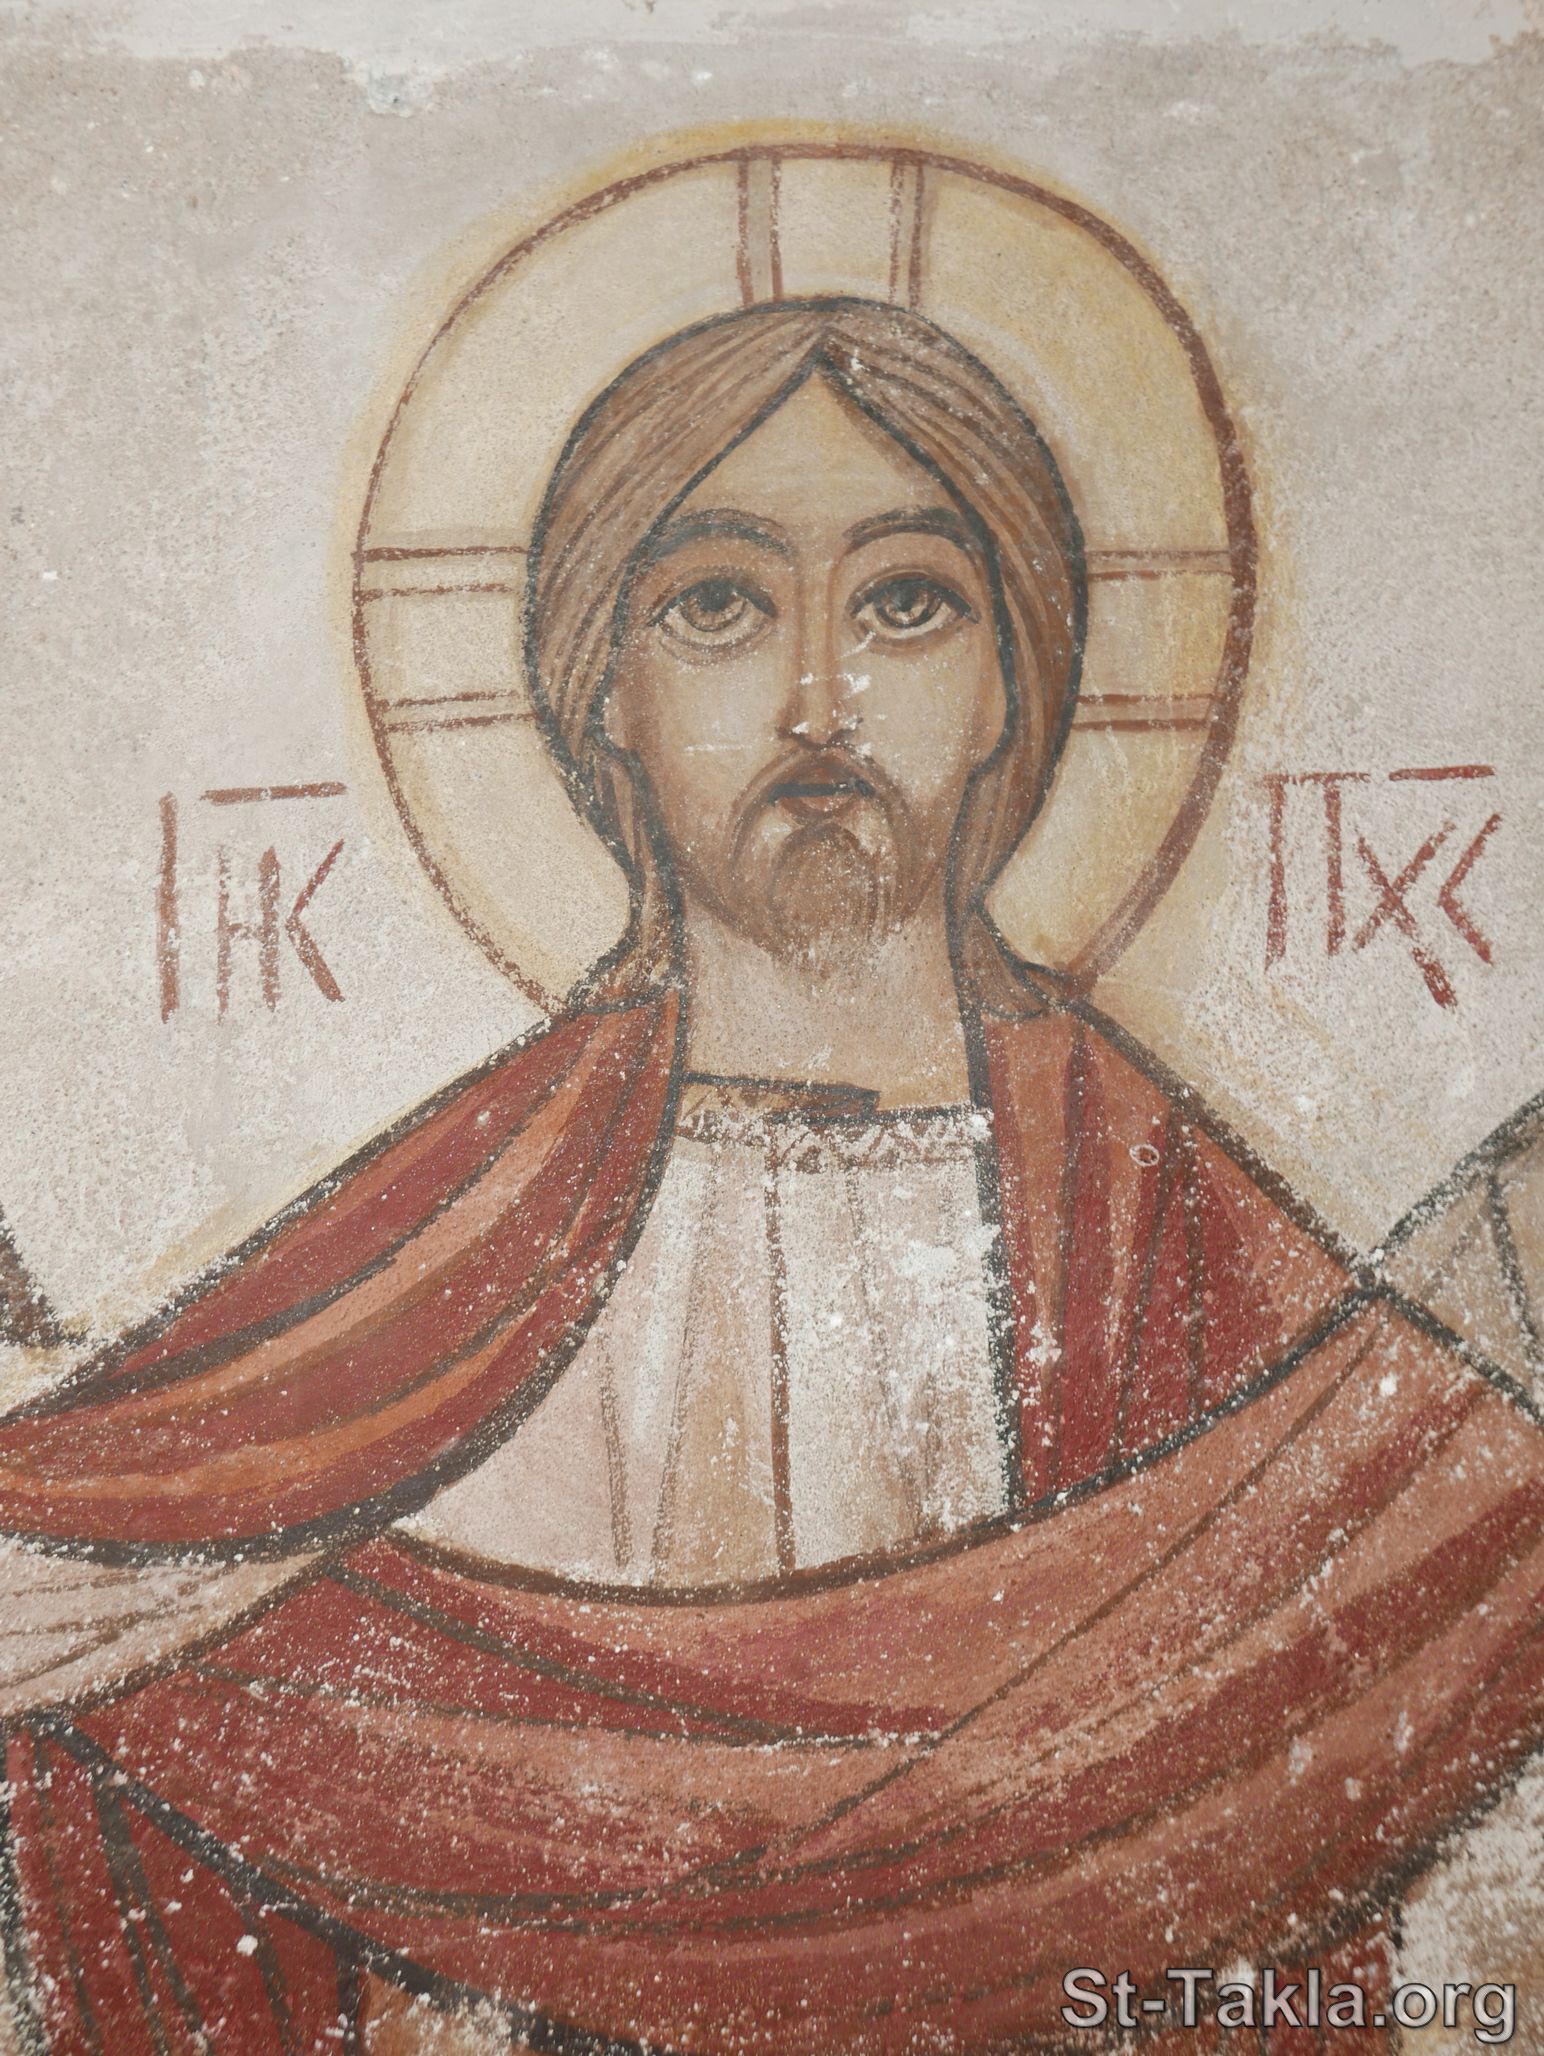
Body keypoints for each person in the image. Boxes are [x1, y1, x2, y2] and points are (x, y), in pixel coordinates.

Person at [0, 300, 1541, 2055]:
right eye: (720, 605)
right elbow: (132, 1583)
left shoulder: (1165, 1235)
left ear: (1009, 689)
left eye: (908, 602)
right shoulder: (446, 1245)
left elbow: (1333, 1686)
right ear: (606, 691)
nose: (822, 700)